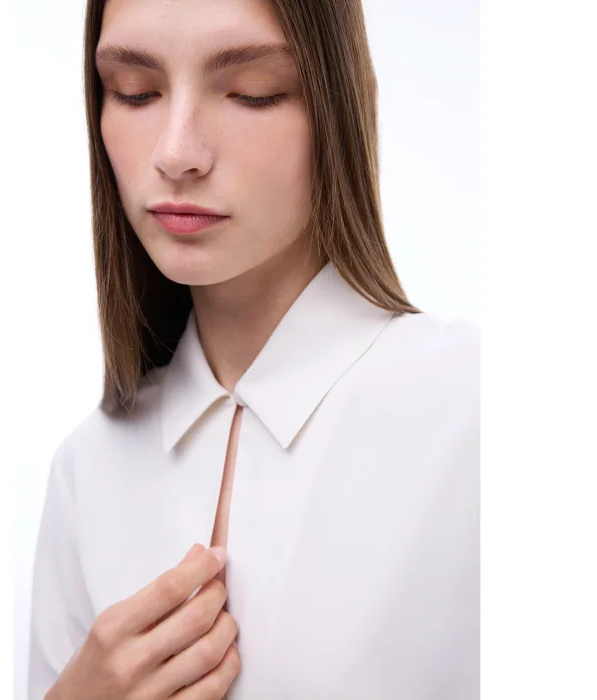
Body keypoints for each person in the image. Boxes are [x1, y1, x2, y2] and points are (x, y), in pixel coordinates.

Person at [27, 0, 479, 698]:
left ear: (340, 104)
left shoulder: (477, 412)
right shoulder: (86, 470)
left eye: (252, 92)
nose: (175, 152)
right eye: (135, 92)